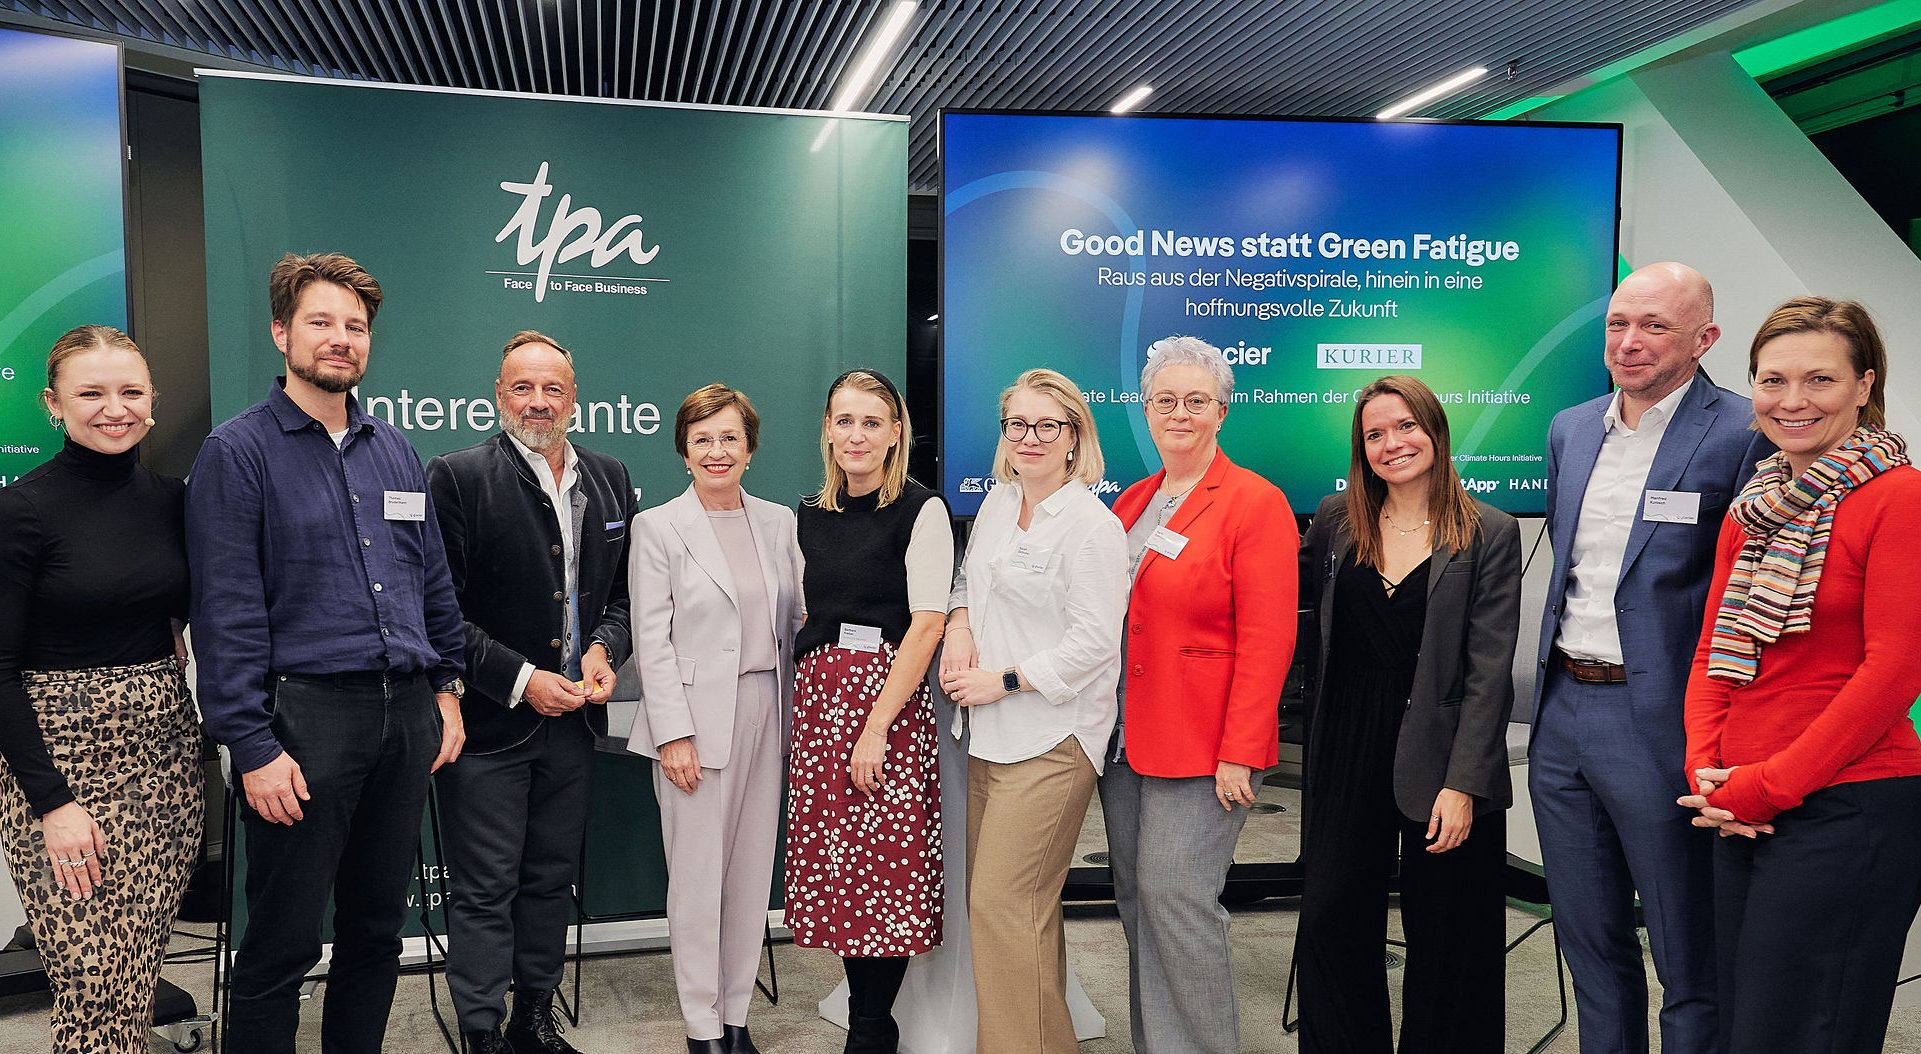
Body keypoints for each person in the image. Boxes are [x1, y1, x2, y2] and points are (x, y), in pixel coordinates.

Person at [187, 251, 468, 1054]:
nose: (341, 338)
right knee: (281, 942)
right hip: (303, 722)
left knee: (378, 932)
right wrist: (251, 744)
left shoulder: (395, 450)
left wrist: (446, 688)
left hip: (404, 716)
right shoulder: (237, 452)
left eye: (355, 326)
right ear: (282, 333)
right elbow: (225, 612)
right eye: (321, 322)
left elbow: (431, 580)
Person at [1529, 261, 1771, 1054]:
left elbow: (1743, 593)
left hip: (1662, 722)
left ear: (1704, 339)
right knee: (1588, 942)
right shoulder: (1569, 428)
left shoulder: (1741, 432)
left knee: (1685, 951)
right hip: (1562, 712)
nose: (1628, 342)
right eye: (1617, 324)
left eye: (1653, 326)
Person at [1678, 297, 1921, 1054]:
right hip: (1741, 803)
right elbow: (1711, 651)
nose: (1792, 401)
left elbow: (1893, 673)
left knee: (1802, 1032)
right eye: (1772, 380)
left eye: (1819, 379)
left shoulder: (1900, 497)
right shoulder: (1753, 508)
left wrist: (1766, 786)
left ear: (1864, 384)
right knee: (1744, 1028)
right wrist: (1707, 771)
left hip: (1848, 806)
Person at [1293, 375, 1520, 1053]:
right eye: (1374, 434)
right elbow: (1298, 618)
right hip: (1346, 741)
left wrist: (1464, 784)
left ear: (1435, 431)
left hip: (1445, 751)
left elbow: (1488, 671)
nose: (1391, 444)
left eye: (1405, 427)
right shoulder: (1336, 520)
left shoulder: (1488, 530)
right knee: (1330, 917)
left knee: (1451, 936)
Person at [426, 331, 636, 1054]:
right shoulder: (456, 477)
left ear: (575, 399)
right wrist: (521, 680)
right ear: (498, 395)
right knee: (484, 889)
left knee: (550, 881)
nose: (538, 401)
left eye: (553, 388)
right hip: (489, 727)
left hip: (575, 727)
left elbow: (622, 596)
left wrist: (604, 648)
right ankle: (482, 1031)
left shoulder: (609, 476)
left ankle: (533, 1019)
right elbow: (439, 611)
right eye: (523, 387)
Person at [0, 325, 204, 1053]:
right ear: (53, 404)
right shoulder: (21, 510)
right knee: (92, 980)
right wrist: (52, 804)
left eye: (130, 392)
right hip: (60, 762)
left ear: (153, 400)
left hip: (166, 758)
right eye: (91, 393)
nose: (114, 409)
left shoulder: (173, 500)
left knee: (135, 974)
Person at [1103, 336, 1297, 1054]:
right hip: (1124, 739)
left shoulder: (1255, 502)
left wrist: (1240, 750)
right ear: (1145, 409)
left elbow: (1269, 639)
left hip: (1206, 745)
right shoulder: (1133, 500)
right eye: (1164, 400)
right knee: (1138, 902)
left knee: (1178, 901)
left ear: (1221, 411)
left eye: (1195, 401)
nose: (1178, 413)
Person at [938, 369, 1127, 1054]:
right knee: (1021, 914)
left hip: (1052, 737)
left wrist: (1006, 680)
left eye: (1048, 425)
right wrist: (959, 626)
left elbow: (1094, 644)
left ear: (1075, 436)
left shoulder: (1092, 527)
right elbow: (967, 579)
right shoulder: (999, 502)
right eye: (1017, 424)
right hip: (989, 737)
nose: (1030, 437)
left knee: (1001, 906)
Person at [627, 384, 803, 1054]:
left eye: (730, 437)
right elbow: (651, 639)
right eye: (702, 439)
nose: (717, 451)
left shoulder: (779, 523)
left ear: (750, 448)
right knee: (698, 885)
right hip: (695, 725)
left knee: (751, 879)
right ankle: (702, 1029)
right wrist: (673, 734)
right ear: (684, 451)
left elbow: (796, 621)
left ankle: (735, 1018)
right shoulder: (658, 527)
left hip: (768, 712)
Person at [784, 368, 951, 1054]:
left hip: (888, 710)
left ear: (895, 433)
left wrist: (876, 726)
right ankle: (866, 1019)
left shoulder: (920, 509)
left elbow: (928, 623)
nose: (857, 435)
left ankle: (871, 1029)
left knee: (886, 870)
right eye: (845, 421)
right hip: (821, 708)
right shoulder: (808, 513)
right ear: (827, 429)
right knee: (842, 872)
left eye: (872, 422)